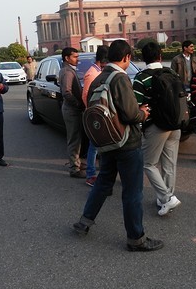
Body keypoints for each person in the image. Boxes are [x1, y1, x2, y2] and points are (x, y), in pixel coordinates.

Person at [73, 40, 164, 252]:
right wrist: (144, 113)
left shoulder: (98, 78)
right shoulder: (120, 78)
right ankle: (136, 238)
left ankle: (84, 222)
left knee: (103, 182)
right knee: (133, 192)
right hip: (126, 142)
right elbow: (131, 114)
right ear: (126, 57)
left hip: (106, 141)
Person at [134, 42, 181, 216]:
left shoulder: (141, 77)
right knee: (169, 164)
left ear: (143, 58)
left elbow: (137, 105)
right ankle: (165, 199)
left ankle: (167, 198)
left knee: (148, 163)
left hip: (156, 126)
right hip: (175, 124)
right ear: (161, 56)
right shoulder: (172, 73)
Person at [81, 45, 109, 187]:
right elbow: (86, 96)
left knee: (100, 146)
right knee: (93, 146)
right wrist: (93, 112)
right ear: (103, 60)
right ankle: (91, 175)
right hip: (95, 115)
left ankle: (99, 173)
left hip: (101, 115)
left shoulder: (99, 71)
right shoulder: (92, 73)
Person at [59, 47, 86, 178]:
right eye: (75, 57)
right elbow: (66, 93)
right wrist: (78, 104)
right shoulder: (67, 72)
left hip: (73, 109)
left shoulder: (69, 70)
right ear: (67, 58)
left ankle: (77, 162)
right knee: (74, 139)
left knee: (77, 138)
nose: (78, 59)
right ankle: (74, 168)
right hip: (71, 110)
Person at [171, 40, 196, 132]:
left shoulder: (194, 58)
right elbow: (173, 74)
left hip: (193, 85)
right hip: (182, 86)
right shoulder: (176, 59)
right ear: (185, 48)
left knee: (194, 107)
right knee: (183, 107)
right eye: (191, 47)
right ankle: (182, 126)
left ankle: (193, 127)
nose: (193, 48)